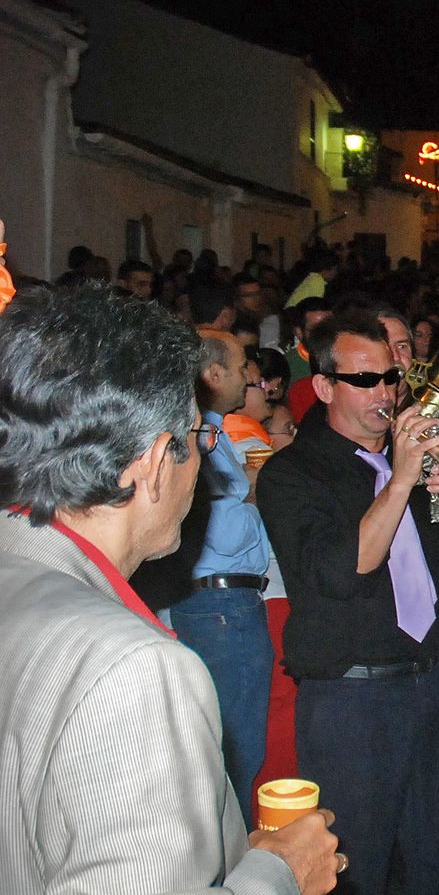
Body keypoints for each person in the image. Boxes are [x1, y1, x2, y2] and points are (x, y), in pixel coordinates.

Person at [0, 283, 340, 894]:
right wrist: (278, 873)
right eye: (193, 439)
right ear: (157, 462)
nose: (201, 466)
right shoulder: (132, 668)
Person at [256, 311, 439, 895]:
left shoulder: (418, 466)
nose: (386, 394)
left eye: (391, 379)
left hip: (434, 677)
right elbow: (345, 571)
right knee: (355, 869)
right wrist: (400, 481)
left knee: (438, 864)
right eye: (365, 380)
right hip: (353, 696)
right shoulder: (293, 473)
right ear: (324, 386)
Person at [169, 330, 276, 822]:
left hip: (221, 606)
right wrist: (256, 495)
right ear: (212, 375)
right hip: (221, 609)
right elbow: (222, 532)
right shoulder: (198, 438)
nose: (250, 376)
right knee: (233, 755)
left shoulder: (213, 433)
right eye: (240, 368)